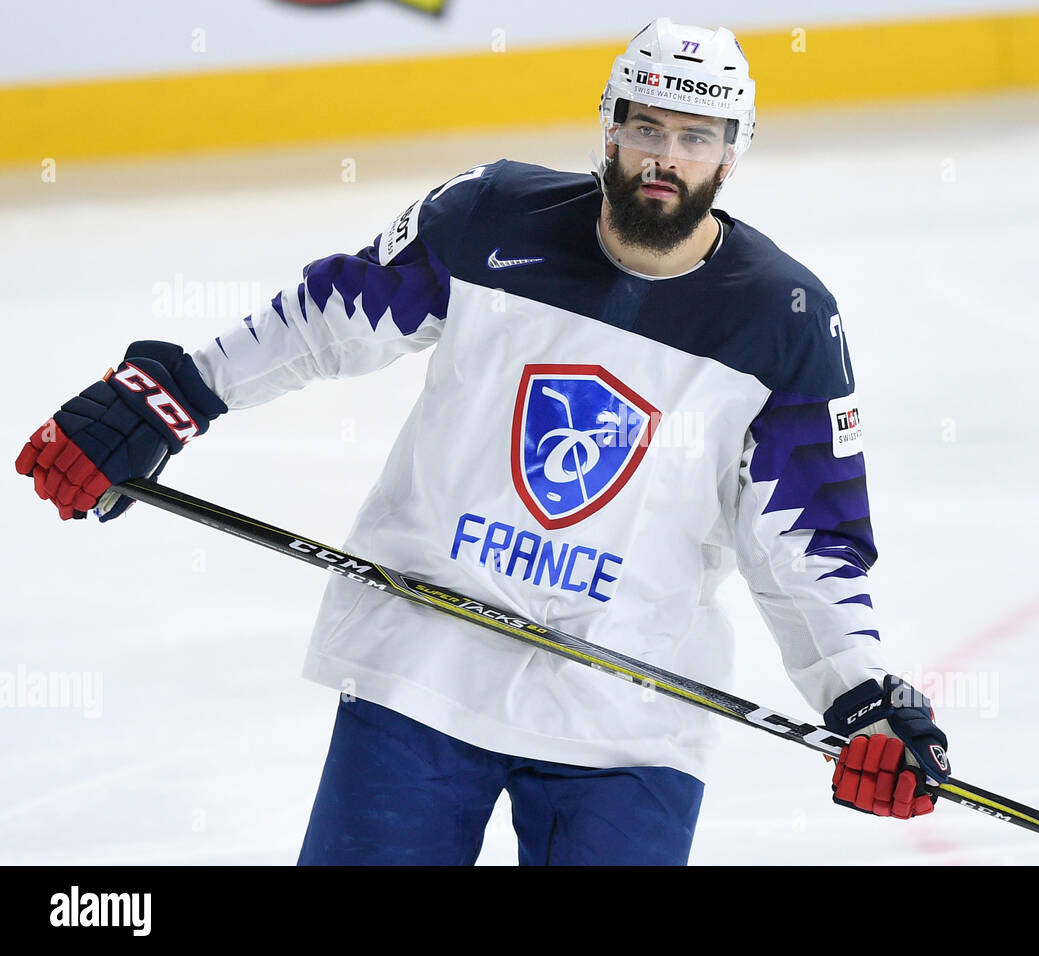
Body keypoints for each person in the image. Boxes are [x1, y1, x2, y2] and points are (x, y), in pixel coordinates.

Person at [15, 17, 951, 865]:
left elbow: (805, 539)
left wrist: (858, 692)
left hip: (629, 710)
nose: (665, 157)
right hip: (425, 665)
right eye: (645, 128)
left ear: (733, 154)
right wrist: (172, 395)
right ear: (608, 126)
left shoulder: (783, 319)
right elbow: (324, 321)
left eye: (695, 137)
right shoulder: (490, 216)